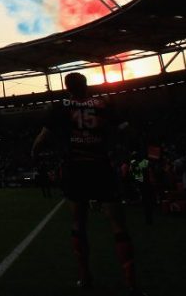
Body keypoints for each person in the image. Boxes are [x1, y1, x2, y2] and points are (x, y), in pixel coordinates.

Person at [32, 72, 143, 294]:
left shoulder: (61, 107)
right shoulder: (103, 104)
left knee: (78, 223)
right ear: (86, 85)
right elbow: (127, 131)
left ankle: (85, 277)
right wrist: (132, 151)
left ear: (67, 87)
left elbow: (42, 139)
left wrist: (36, 153)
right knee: (118, 224)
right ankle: (131, 283)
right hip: (102, 166)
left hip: (76, 169)